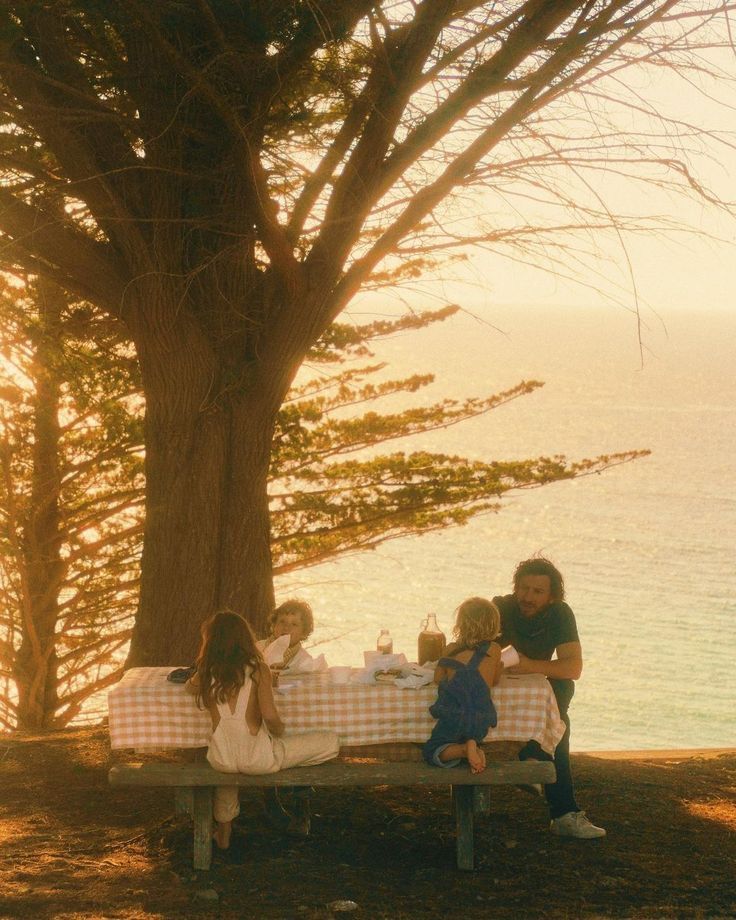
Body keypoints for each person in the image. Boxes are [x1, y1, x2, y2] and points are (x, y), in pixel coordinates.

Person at [186, 610, 338, 850]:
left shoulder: (206, 671)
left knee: (229, 772)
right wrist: (280, 733)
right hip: (259, 760)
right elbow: (270, 717)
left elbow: (189, 689)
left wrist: (204, 667)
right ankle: (295, 796)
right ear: (245, 638)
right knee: (330, 742)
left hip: (220, 759)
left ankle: (223, 833)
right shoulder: (258, 669)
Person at [493, 557, 606, 839]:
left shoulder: (559, 614)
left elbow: (573, 667)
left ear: (552, 596)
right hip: (495, 689)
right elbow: (475, 652)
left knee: (562, 693)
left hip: (532, 690)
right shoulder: (501, 608)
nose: (527, 597)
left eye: (537, 591)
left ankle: (533, 757)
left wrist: (532, 665)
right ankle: (564, 813)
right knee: (559, 724)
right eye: (524, 588)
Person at [423, 597, 503, 773]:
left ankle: (464, 749)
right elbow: (495, 680)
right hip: (480, 718)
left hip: (454, 714)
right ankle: (473, 745)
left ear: (459, 626)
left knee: (432, 750)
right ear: (494, 626)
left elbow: (438, 678)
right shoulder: (494, 649)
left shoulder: (450, 649)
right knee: (468, 735)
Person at [258, 598, 315, 673]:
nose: (286, 627)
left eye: (294, 624)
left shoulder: (304, 661)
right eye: (282, 622)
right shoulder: (258, 648)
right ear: (273, 626)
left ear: (303, 633)